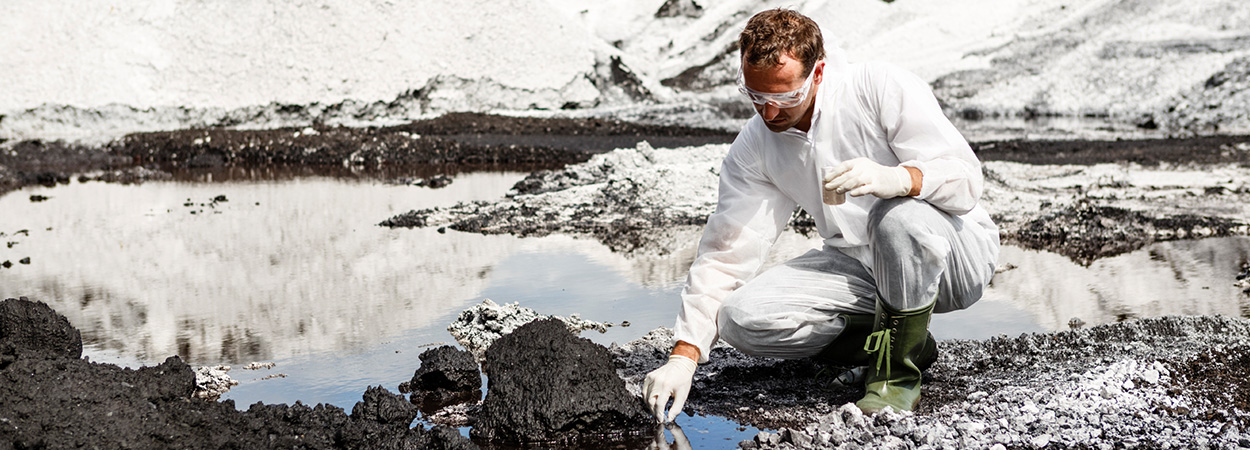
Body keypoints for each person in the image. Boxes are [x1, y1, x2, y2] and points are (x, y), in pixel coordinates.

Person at [642, 8, 999, 422]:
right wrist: (684, 356)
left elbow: (966, 180)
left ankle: (895, 379)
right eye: (756, 97)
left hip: (952, 255)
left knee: (896, 218)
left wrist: (900, 179)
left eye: (785, 97)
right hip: (859, 263)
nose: (770, 114)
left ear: (819, 71)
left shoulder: (878, 87)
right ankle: (906, 341)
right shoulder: (756, 146)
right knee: (742, 319)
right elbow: (727, 253)